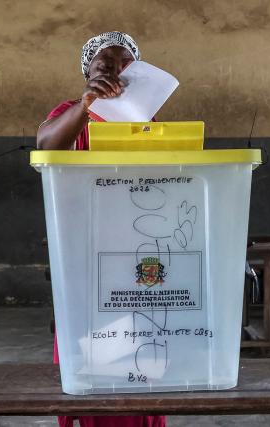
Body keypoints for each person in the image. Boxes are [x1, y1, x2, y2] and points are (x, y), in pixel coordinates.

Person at [38, 31, 167, 427]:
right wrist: (87, 103)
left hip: (138, 246)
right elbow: (45, 145)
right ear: (86, 73)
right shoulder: (72, 111)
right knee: (87, 339)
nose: (114, 72)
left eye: (125, 64)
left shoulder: (146, 120)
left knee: (141, 343)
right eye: (103, 66)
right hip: (83, 247)